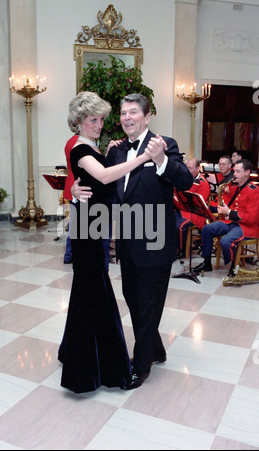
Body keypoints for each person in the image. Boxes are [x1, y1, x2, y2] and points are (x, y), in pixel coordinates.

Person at [72, 93, 193, 390]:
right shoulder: (115, 151)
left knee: (149, 304)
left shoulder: (165, 144)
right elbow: (103, 188)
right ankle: (156, 348)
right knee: (134, 299)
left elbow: (185, 181)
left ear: (147, 116)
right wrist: (75, 191)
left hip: (155, 243)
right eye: (124, 113)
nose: (127, 117)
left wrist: (161, 159)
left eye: (133, 112)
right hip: (127, 241)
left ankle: (139, 366)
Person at [58, 91, 154, 394]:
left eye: (101, 119)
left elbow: (93, 176)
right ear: (79, 123)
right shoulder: (79, 148)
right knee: (95, 293)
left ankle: (77, 358)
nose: (100, 124)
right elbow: (103, 175)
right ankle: (104, 369)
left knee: (87, 293)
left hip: (93, 224)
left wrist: (109, 150)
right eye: (93, 120)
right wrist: (142, 158)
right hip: (89, 227)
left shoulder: (89, 146)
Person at [193, 159, 259, 275]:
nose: (234, 174)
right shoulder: (236, 186)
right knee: (207, 229)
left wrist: (228, 211)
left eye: (238, 172)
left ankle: (234, 267)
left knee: (225, 241)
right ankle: (207, 262)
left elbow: (252, 218)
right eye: (234, 171)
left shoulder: (254, 190)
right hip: (232, 223)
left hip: (247, 227)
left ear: (247, 172)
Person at [175, 158, 210, 258]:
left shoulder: (203, 183)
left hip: (196, 213)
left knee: (180, 226)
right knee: (167, 220)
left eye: (190, 168)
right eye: (187, 167)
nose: (187, 170)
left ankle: (181, 251)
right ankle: (172, 248)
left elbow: (199, 204)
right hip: (183, 209)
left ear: (198, 168)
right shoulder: (185, 178)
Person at [63, 133, 79, 264]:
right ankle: (70, 254)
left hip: (72, 182)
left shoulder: (70, 140)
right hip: (77, 185)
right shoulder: (78, 141)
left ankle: (70, 254)